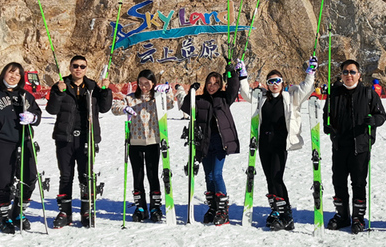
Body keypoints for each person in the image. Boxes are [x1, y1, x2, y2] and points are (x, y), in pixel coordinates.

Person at [239, 56, 316, 231]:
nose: (274, 84)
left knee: (277, 177)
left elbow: (306, 89)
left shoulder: (290, 97)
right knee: (269, 178)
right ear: (267, 84)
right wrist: (242, 76)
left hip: (280, 144)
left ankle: (286, 215)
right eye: (271, 81)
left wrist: (311, 73)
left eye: (277, 81)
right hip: (264, 144)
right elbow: (245, 94)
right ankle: (275, 210)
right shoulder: (262, 98)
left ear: (282, 83)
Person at [0, 62, 42, 234]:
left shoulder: (25, 95)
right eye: (11, 72)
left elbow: (38, 115)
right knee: (5, 179)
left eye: (18, 74)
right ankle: (3, 216)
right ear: (4, 73)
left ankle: (18, 212)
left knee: (30, 177)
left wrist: (32, 118)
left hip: (24, 140)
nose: (14, 76)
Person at [46, 56, 113, 228]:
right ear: (70, 67)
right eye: (75, 66)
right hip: (65, 137)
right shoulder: (61, 85)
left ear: (86, 69)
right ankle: (65, 212)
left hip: (86, 137)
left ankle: (86, 211)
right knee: (65, 176)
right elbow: (51, 110)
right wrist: (59, 93)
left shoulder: (92, 87)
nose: (78, 69)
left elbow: (104, 108)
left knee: (86, 175)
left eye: (82, 66)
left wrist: (105, 90)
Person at [323, 59, 386, 233]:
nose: (349, 75)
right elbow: (326, 114)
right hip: (339, 146)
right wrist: (328, 126)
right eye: (345, 72)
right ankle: (342, 215)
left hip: (360, 146)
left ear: (359, 75)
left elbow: (381, 115)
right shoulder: (334, 94)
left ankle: (358, 217)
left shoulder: (368, 93)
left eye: (352, 72)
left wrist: (374, 120)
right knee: (338, 181)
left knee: (358, 183)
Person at [180, 62, 241, 225]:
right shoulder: (200, 100)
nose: (212, 86)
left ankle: (223, 210)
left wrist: (232, 74)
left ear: (220, 85)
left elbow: (234, 88)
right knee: (208, 175)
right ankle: (213, 208)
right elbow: (186, 107)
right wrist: (191, 92)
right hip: (204, 142)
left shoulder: (224, 98)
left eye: (215, 83)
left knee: (217, 174)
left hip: (220, 142)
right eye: (209, 83)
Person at [111, 69, 174, 222]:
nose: (143, 86)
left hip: (153, 141)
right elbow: (115, 107)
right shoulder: (131, 98)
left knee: (153, 174)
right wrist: (123, 108)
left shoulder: (157, 98)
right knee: (138, 175)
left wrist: (168, 91)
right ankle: (141, 207)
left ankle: (155, 207)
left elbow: (170, 104)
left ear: (153, 83)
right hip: (135, 142)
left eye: (147, 83)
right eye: (141, 83)